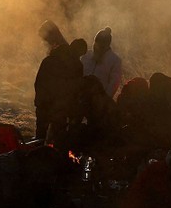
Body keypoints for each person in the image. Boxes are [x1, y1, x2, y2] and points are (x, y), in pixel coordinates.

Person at [34, 20, 80, 149]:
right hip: (62, 106)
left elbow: (41, 83)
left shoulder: (52, 60)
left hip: (52, 106)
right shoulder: (71, 57)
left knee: (43, 140)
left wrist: (41, 103)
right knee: (59, 140)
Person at [81, 27, 122, 99]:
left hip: (99, 102)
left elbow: (113, 85)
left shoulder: (115, 61)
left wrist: (103, 100)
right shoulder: (86, 55)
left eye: (100, 44)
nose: (97, 47)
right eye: (96, 43)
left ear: (106, 45)